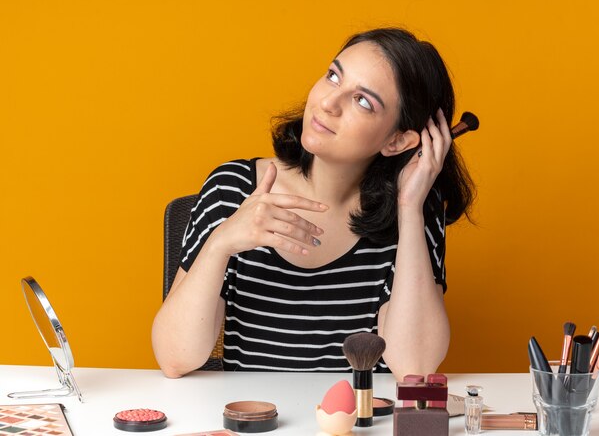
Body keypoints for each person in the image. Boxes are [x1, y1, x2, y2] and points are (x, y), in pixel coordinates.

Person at [152, 27, 474, 380]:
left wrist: (410, 208)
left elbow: (414, 367)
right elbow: (174, 358)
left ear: (397, 141)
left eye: (363, 101)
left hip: (360, 422)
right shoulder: (232, 189)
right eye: (334, 76)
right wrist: (222, 242)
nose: (327, 103)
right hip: (253, 421)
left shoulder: (413, 209)